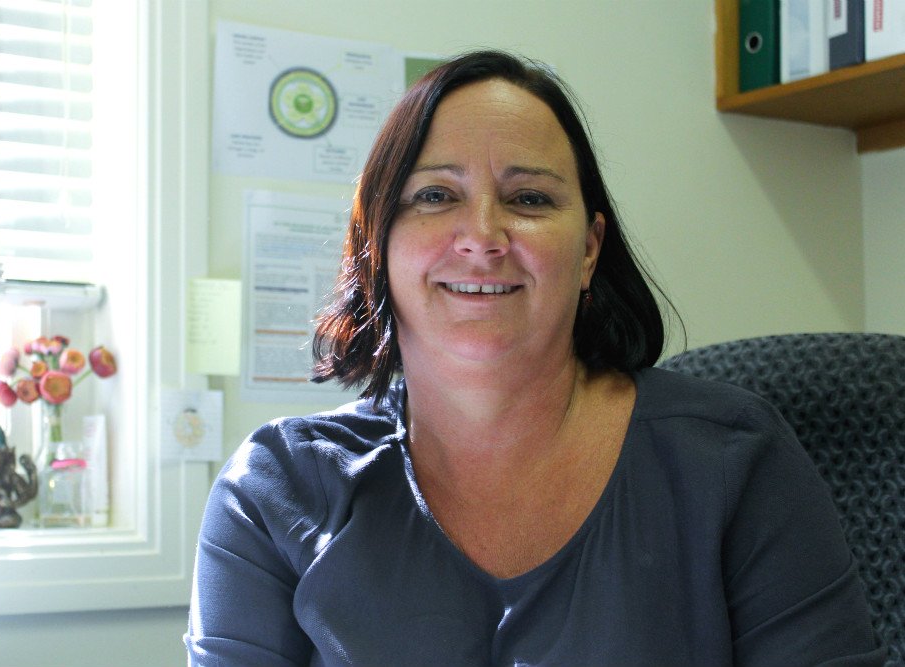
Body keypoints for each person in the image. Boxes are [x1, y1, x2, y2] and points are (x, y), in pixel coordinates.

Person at [185, 50, 884, 666]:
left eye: (529, 197)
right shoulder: (274, 489)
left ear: (588, 249)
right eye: (435, 195)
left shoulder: (734, 461)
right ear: (379, 244)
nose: (483, 235)